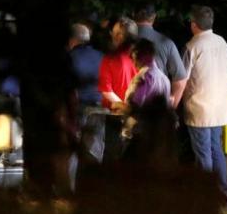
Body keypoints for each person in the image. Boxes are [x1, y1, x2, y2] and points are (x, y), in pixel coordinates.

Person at [178, 5, 227, 204]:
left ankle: (207, 194)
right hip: (220, 106)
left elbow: (181, 78)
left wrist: (174, 101)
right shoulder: (223, 43)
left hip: (200, 105)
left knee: (203, 152)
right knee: (216, 149)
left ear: (194, 24)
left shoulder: (192, 46)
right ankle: (224, 193)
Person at [121, 38, 176, 164]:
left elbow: (135, 105)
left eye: (133, 55)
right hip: (159, 134)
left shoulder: (144, 76)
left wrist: (120, 106)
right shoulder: (164, 78)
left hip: (139, 133)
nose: (132, 60)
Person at [98, 17, 139, 160]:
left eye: (115, 32)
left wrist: (124, 107)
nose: (112, 35)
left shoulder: (110, 58)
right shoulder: (140, 57)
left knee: (113, 159)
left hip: (115, 117)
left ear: (120, 37)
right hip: (137, 116)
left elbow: (106, 90)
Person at [134, 4, 189, 107]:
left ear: (133, 15)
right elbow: (181, 80)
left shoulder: (123, 41)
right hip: (157, 107)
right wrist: (171, 106)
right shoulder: (167, 43)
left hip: (127, 106)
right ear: (154, 17)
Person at [68, 23, 105, 166]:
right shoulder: (101, 56)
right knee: (94, 151)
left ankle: (70, 186)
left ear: (72, 40)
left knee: (73, 152)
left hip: (78, 108)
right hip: (99, 109)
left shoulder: (69, 58)